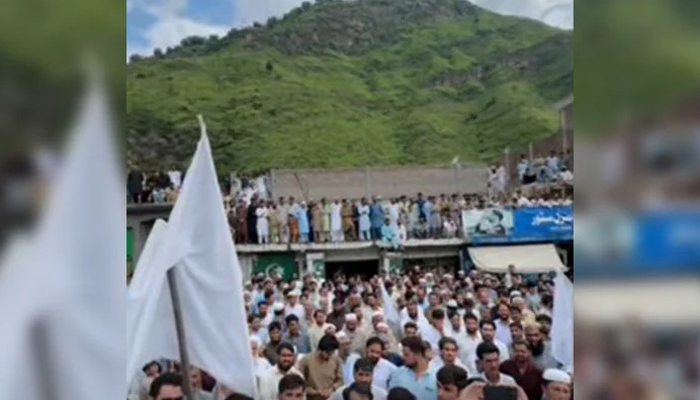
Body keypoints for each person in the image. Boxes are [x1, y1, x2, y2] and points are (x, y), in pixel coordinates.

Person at [298, 334, 345, 400]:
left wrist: (332, 389)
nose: (329, 356)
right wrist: (316, 392)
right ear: (320, 349)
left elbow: (341, 381)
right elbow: (299, 383)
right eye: (327, 353)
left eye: (331, 353)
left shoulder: (337, 360)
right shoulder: (306, 360)